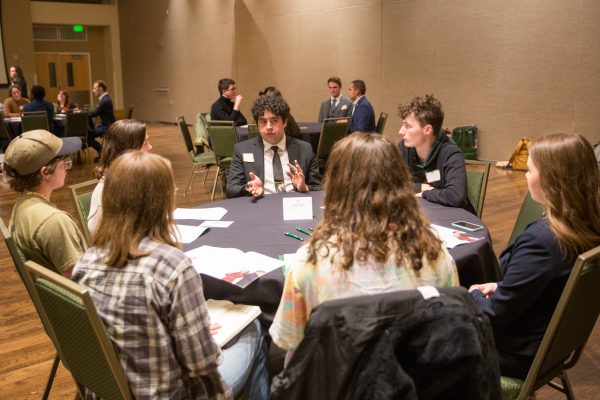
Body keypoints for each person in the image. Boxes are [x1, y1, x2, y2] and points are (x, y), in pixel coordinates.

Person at [72, 151, 269, 399]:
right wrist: (203, 337)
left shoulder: (86, 262)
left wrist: (187, 331)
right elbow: (203, 364)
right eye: (171, 188)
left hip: (110, 390)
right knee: (255, 328)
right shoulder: (173, 268)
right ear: (159, 201)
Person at [269, 132, 459, 354]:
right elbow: (449, 332)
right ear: (401, 184)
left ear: (336, 188)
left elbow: (289, 341)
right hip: (416, 382)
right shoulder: (438, 256)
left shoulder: (309, 264)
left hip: (337, 385)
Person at [469, 133, 600, 379]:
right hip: (550, 346)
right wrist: (501, 286)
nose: (526, 176)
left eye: (530, 170)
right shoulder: (584, 225)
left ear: (552, 179)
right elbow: (548, 283)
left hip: (516, 354)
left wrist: (473, 294)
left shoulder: (542, 241)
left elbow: (498, 315)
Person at [4, 130, 85, 277]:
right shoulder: (54, 221)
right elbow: (79, 280)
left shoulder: (22, 205)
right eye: (65, 163)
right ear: (45, 172)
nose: (67, 168)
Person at [226, 94, 321, 198]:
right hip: (260, 206)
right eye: (263, 121)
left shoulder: (304, 149)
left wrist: (305, 188)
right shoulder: (242, 149)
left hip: (294, 205)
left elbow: (318, 188)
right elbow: (231, 189)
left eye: (274, 121)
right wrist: (250, 189)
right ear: (257, 124)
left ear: (285, 122)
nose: (268, 127)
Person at [398, 94, 474, 213]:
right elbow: (386, 184)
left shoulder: (450, 153)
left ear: (427, 129)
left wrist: (425, 193)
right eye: (403, 124)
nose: (401, 131)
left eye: (407, 126)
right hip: (419, 214)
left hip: (450, 218)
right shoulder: (404, 147)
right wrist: (420, 187)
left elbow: (456, 196)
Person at [87, 119, 152, 235]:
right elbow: (99, 238)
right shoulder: (105, 193)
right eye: (145, 143)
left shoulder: (136, 177)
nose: (150, 147)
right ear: (130, 149)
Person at [86, 80, 116, 158]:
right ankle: (103, 152)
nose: (93, 91)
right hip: (106, 125)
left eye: (95, 88)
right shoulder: (105, 99)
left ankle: (102, 151)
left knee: (88, 136)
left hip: (107, 127)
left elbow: (94, 113)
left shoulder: (105, 101)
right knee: (89, 134)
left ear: (101, 88)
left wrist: (82, 113)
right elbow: (96, 111)